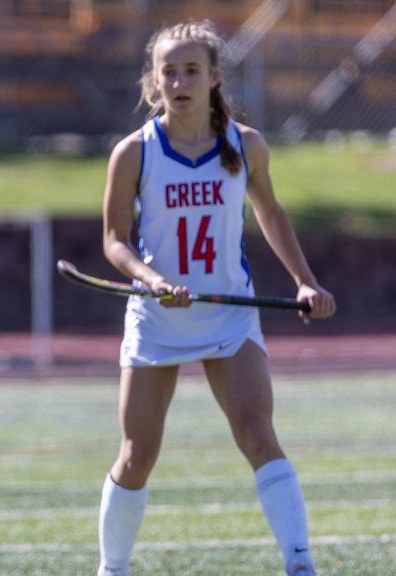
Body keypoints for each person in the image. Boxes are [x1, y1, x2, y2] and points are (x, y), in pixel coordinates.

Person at [96, 20, 336, 576]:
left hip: (229, 314)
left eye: (191, 71)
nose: (180, 82)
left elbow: (269, 212)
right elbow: (113, 240)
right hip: (158, 318)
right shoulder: (133, 153)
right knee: (137, 454)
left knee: (256, 432)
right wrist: (153, 281)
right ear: (154, 80)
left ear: (214, 77)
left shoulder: (246, 145)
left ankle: (300, 562)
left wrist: (305, 280)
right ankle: (112, 568)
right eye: (169, 72)